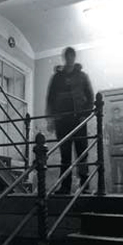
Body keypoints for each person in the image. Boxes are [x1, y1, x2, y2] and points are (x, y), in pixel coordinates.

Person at [46, 47, 94, 194]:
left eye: (71, 56)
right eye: (67, 56)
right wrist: (51, 119)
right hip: (62, 121)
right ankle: (65, 187)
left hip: (78, 120)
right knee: (65, 155)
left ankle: (85, 186)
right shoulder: (57, 78)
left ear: (74, 57)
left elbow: (90, 97)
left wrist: (85, 114)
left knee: (82, 154)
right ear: (64, 57)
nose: (69, 58)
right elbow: (50, 98)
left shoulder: (82, 76)